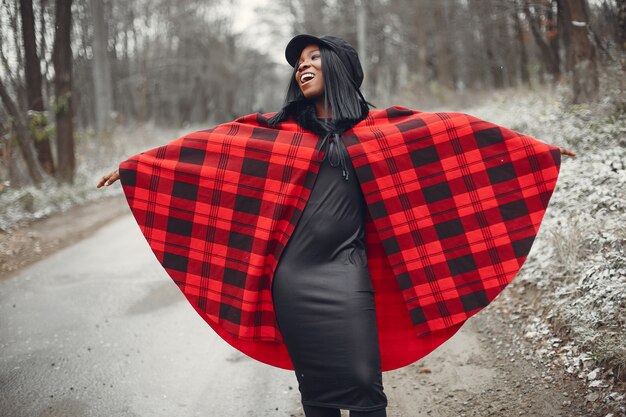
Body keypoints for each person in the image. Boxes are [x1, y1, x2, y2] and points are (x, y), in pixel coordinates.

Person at [97, 34, 575, 417]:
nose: (301, 66)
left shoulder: (383, 129)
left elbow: (460, 136)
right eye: (297, 62)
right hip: (293, 280)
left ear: (340, 66)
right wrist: (141, 168)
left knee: (366, 392)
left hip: (348, 275)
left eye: (313, 57)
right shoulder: (276, 133)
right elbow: (207, 152)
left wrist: (537, 155)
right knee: (318, 398)